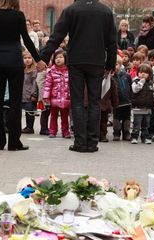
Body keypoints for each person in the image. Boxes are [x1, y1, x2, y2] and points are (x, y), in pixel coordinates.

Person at [40, 0, 117, 153]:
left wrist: (44, 56)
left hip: (76, 60)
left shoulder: (71, 10)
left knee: (77, 102)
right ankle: (93, 142)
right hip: (96, 61)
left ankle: (80, 142)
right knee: (95, 102)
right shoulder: (106, 11)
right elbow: (112, 41)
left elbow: (57, 35)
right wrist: (110, 64)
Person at [0, 0, 46, 151]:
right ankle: (14, 142)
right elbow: (26, 39)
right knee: (15, 102)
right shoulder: (18, 15)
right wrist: (38, 59)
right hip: (14, 60)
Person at [43, 49, 71, 138]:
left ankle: (65, 132)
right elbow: (47, 84)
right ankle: (52, 131)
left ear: (65, 58)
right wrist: (46, 96)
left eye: (60, 57)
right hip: (54, 97)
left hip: (66, 97)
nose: (58, 59)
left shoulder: (69, 71)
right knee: (53, 116)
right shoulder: (51, 71)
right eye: (56, 58)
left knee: (65, 117)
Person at [131, 64, 154, 144]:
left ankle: (144, 138)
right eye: (141, 72)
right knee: (137, 124)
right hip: (138, 107)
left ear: (149, 74)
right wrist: (141, 82)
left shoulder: (151, 83)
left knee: (146, 125)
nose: (143, 74)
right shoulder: (135, 81)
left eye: (145, 72)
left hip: (147, 108)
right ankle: (134, 137)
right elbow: (135, 90)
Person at [113, 55, 132, 141]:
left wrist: (131, 98)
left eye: (116, 64)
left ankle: (126, 133)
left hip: (127, 101)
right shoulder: (111, 76)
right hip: (117, 102)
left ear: (120, 65)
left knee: (127, 118)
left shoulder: (126, 75)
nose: (115, 66)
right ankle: (116, 133)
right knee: (116, 118)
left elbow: (130, 86)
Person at [21, 51, 38, 134]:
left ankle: (30, 127)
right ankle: (27, 126)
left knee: (30, 111)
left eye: (29, 58)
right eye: (25, 58)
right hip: (24, 94)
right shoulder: (24, 70)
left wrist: (33, 94)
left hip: (30, 94)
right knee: (27, 111)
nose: (27, 60)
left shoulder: (34, 71)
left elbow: (35, 83)